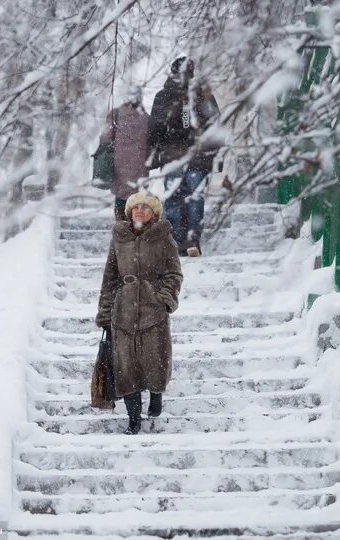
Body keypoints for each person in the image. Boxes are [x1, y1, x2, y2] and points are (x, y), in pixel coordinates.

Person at [95, 192, 183, 434]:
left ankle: (156, 395)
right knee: (125, 366)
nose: (139, 211)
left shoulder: (163, 237)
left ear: (154, 213)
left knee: (155, 361)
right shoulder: (119, 237)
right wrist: (105, 313)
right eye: (135, 207)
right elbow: (110, 277)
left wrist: (164, 300)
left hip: (153, 310)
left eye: (145, 208)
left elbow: (174, 274)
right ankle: (133, 419)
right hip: (122, 310)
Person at [147, 56, 222, 256]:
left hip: (173, 158)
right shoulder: (202, 96)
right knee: (194, 199)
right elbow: (216, 125)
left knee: (173, 199)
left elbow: (154, 128)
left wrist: (156, 150)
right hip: (197, 158)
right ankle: (191, 241)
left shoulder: (163, 96)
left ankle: (175, 241)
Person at [100, 86, 149, 221]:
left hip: (119, 168)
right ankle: (136, 229)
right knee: (138, 201)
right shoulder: (146, 118)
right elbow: (153, 143)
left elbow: (105, 138)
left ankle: (122, 228)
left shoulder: (115, 115)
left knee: (121, 198)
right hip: (140, 169)